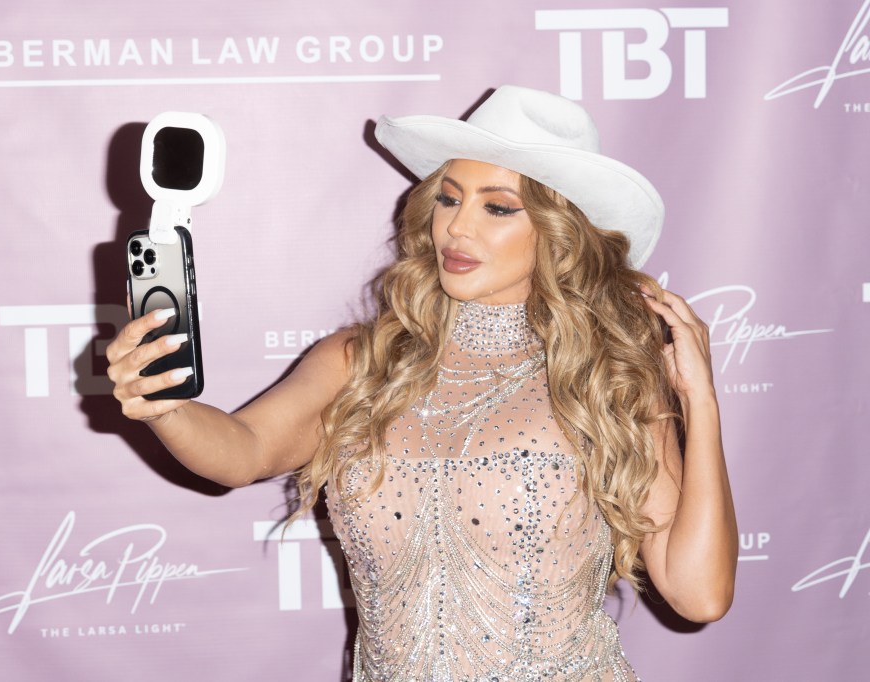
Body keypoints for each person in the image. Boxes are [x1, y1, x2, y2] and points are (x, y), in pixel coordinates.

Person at [107, 85, 738, 681]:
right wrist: (162, 403)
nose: (457, 228)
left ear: (559, 232)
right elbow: (241, 452)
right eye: (448, 197)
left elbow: (697, 593)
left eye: (497, 207)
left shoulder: (604, 379)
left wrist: (698, 403)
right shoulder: (362, 361)